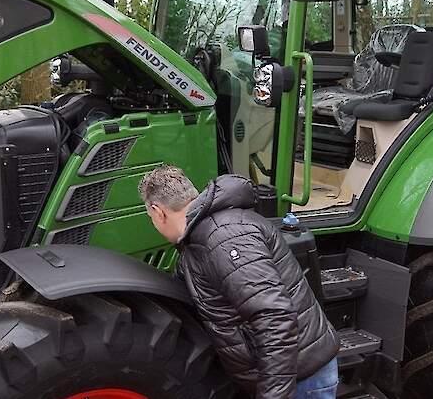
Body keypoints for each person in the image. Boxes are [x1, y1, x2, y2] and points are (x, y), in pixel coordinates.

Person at [138, 165, 341, 399]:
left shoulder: (224, 237)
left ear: (158, 211)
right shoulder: (196, 244)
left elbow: (274, 317)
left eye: (151, 218)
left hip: (301, 379)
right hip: (285, 374)